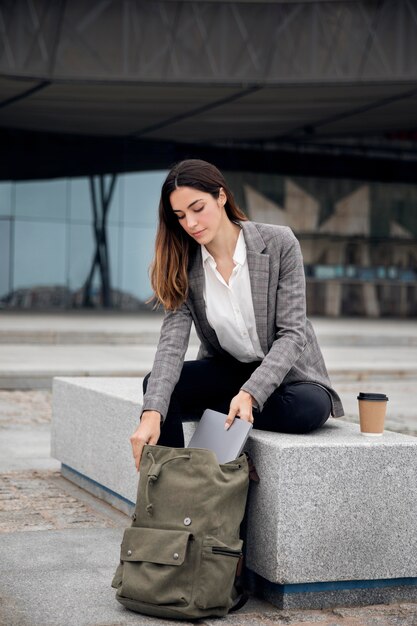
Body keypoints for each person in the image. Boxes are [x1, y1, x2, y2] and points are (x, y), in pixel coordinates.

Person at [130, 159, 344, 470]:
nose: (190, 223)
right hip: (230, 370)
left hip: (290, 376)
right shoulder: (185, 264)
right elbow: (171, 346)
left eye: (197, 208)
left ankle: (220, 411)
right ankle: (174, 488)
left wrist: (251, 394)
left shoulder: (279, 243)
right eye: (180, 216)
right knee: (158, 385)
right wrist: (151, 413)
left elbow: (293, 333)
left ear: (221, 196)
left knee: (305, 409)